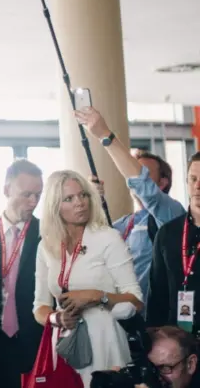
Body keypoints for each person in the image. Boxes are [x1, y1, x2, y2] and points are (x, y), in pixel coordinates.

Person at [33, 170, 144, 387]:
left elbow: (136, 301)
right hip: (65, 344)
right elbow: (40, 308)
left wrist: (97, 296)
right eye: (69, 198)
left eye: (83, 195)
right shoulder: (45, 245)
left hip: (106, 341)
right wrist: (58, 319)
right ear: (55, 206)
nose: (80, 203)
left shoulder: (107, 238)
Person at [75, 107, 185, 308]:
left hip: (151, 320)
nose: (131, 175)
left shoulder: (171, 216)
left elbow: (145, 189)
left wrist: (105, 136)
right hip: (115, 317)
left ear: (162, 182)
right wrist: (92, 201)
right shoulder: (123, 223)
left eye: (142, 171)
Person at [0, 159, 45, 388]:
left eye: (38, 195)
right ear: (7, 190)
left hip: (33, 340)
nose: (33, 202)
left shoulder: (46, 234)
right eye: (27, 194)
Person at [148, 152, 200, 333]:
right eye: (193, 179)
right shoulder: (167, 234)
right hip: (177, 340)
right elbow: (157, 294)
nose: (197, 186)